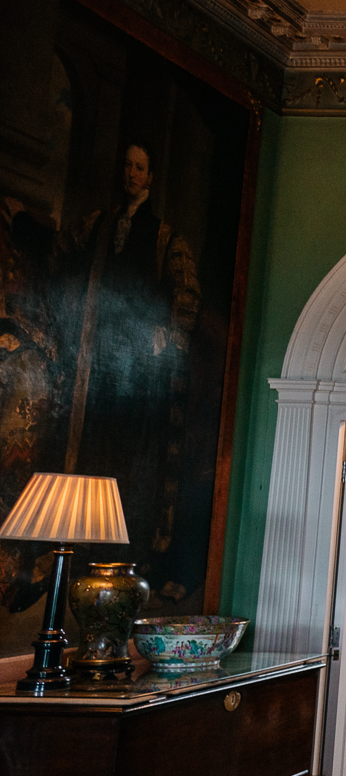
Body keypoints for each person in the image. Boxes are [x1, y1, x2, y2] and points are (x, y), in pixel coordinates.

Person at [61, 142, 200, 596]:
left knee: (134, 457)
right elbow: (69, 261)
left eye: (139, 167)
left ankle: (132, 554)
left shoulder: (164, 237)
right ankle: (80, 551)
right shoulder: (99, 223)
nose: (131, 173)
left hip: (142, 366)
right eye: (127, 165)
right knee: (94, 447)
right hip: (100, 356)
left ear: (151, 176)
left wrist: (166, 336)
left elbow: (185, 296)